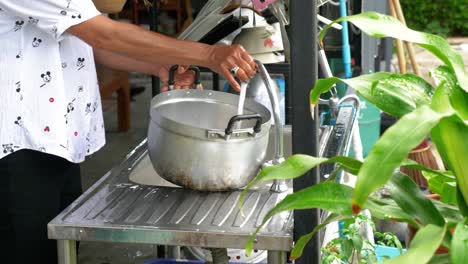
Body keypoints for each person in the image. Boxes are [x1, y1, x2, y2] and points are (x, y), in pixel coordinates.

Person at [0, 1, 256, 263]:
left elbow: (93, 44)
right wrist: (208, 55)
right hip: (17, 145)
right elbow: (102, 33)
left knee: (59, 249)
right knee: (26, 251)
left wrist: (161, 66)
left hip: (56, 138)